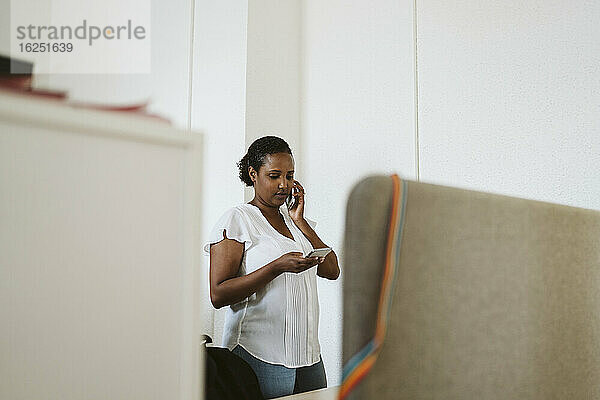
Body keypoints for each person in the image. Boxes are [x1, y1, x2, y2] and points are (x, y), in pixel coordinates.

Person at [204, 136, 340, 399]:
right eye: (274, 175)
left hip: (308, 354)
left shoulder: (296, 223)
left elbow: (332, 270)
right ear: (253, 175)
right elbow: (218, 294)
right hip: (260, 353)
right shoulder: (238, 219)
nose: (284, 184)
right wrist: (276, 267)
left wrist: (299, 220)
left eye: (290, 176)